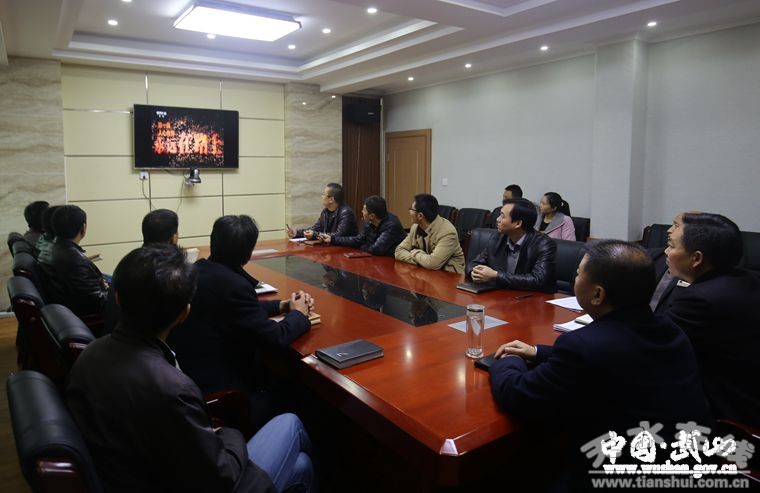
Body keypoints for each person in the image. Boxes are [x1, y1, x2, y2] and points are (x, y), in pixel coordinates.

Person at [66, 244, 314, 493]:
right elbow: (221, 476)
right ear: (184, 314)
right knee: (291, 423)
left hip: (134, 473)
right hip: (199, 480)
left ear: (118, 298)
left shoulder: (88, 355)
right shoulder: (172, 389)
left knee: (301, 466)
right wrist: (228, 433)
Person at [489, 240, 711, 489]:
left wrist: (509, 360)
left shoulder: (583, 347)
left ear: (597, 295)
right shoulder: (670, 330)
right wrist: (538, 352)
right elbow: (619, 357)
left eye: (577, 275)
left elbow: (519, 395)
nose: (574, 279)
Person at [168, 215, 315, 427]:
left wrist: (283, 306)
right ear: (247, 254)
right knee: (301, 393)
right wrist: (299, 314)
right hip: (227, 395)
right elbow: (275, 338)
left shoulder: (197, 270)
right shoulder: (234, 286)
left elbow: (238, 310)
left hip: (192, 378)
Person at [664, 212, 760, 427]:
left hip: (730, 415)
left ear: (696, 259)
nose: (665, 252)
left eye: (671, 246)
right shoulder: (748, 279)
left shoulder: (699, 299)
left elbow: (654, 347)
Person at [103, 209, 181, 334]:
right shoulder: (165, 271)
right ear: (173, 238)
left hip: (115, 335)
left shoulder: (129, 260)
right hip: (140, 340)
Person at [467, 198, 556, 292]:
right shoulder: (497, 238)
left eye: (502, 216)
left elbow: (537, 280)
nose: (497, 219)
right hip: (503, 294)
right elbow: (473, 263)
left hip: (534, 297)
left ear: (517, 223)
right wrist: (474, 272)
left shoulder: (544, 244)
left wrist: (496, 275)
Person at [38, 205, 109, 318]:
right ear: (83, 227)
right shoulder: (76, 262)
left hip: (62, 312)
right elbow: (98, 302)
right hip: (86, 318)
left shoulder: (48, 249)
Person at [394, 193, 465, 273]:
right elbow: (399, 251)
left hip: (449, 276)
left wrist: (415, 253)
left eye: (411, 209)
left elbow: (433, 264)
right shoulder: (415, 227)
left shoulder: (448, 232)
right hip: (426, 272)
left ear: (420, 216)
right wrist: (423, 261)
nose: (409, 211)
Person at [320, 195, 405, 256]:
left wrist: (362, 246)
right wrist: (332, 239)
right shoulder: (369, 221)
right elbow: (358, 240)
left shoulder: (392, 225)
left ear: (372, 216)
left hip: (393, 264)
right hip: (375, 260)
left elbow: (376, 250)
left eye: (364, 210)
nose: (362, 212)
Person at [287, 182, 358, 240]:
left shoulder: (346, 213)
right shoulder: (325, 212)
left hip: (347, 250)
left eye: (324, 194)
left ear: (331, 199)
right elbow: (315, 228)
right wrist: (297, 233)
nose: (322, 196)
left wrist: (314, 235)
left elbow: (338, 235)